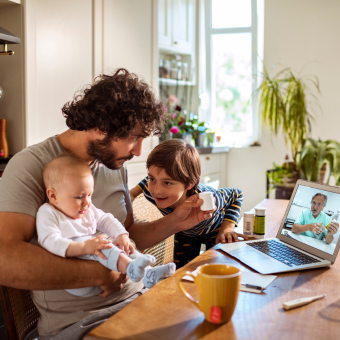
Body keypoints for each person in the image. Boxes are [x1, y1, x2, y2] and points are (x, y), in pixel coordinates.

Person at [0, 69, 214, 339]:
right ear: (101, 126)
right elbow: (4, 259)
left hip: (140, 298)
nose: (138, 151)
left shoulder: (113, 165)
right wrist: (98, 274)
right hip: (84, 322)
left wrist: (177, 221)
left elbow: (127, 235)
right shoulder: (30, 166)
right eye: (134, 138)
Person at [38, 154, 176, 297]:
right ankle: (130, 267)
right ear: (53, 196)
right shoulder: (48, 213)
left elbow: (105, 219)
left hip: (99, 265)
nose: (86, 202)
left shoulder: (86, 209)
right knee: (101, 243)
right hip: (80, 280)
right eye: (79, 197)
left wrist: (121, 235)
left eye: (89, 195)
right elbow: (49, 240)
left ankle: (149, 273)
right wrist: (85, 247)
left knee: (123, 246)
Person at [129, 139, 247, 269]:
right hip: (184, 235)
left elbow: (236, 194)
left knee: (216, 270)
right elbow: (146, 181)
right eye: (153, 179)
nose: (156, 191)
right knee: (183, 272)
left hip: (214, 232)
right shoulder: (150, 191)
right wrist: (133, 193)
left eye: (167, 183)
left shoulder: (207, 199)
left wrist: (227, 228)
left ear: (190, 183)